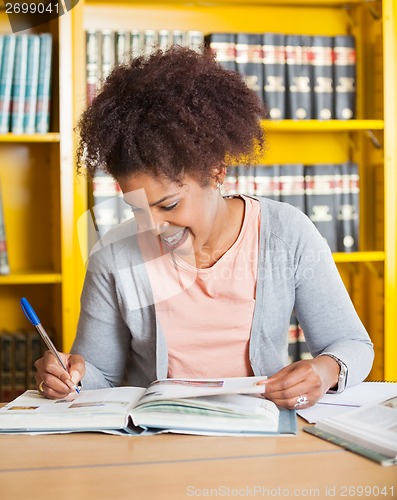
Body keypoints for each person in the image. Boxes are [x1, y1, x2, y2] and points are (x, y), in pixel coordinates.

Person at [35, 46, 374, 409]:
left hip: (260, 435)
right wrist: (71, 377)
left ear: (216, 172)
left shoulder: (286, 234)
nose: (153, 226)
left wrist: (324, 371)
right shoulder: (114, 255)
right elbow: (100, 374)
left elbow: (352, 344)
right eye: (137, 207)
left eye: (169, 204)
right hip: (153, 440)